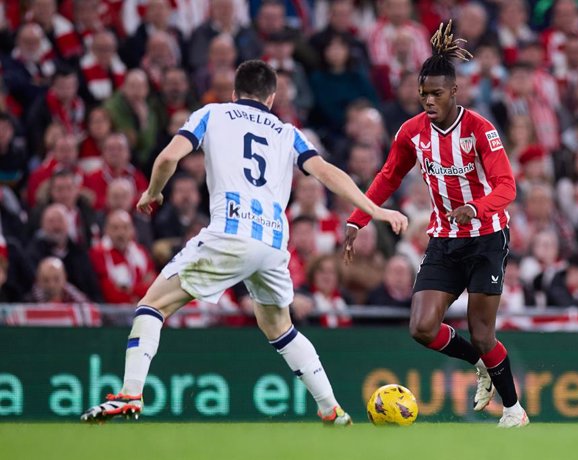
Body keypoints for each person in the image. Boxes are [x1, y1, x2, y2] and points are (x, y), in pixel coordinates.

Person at [81, 60, 407, 425]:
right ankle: (332, 409)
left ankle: (130, 394)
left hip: (230, 233)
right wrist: (374, 209)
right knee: (280, 328)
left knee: (152, 307)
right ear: (272, 97)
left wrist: (152, 192)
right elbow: (328, 172)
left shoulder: (213, 114)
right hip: (272, 243)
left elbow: (170, 156)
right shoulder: (288, 132)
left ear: (234, 93)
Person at [344, 21, 528, 427]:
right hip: (444, 239)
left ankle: (514, 411)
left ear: (455, 92)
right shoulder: (412, 132)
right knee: (422, 327)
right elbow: (387, 177)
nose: (428, 101)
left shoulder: (481, 130)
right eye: (423, 93)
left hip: (487, 237)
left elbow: (507, 186)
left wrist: (476, 208)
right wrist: (358, 219)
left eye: (437, 94)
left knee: (483, 333)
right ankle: (481, 366)